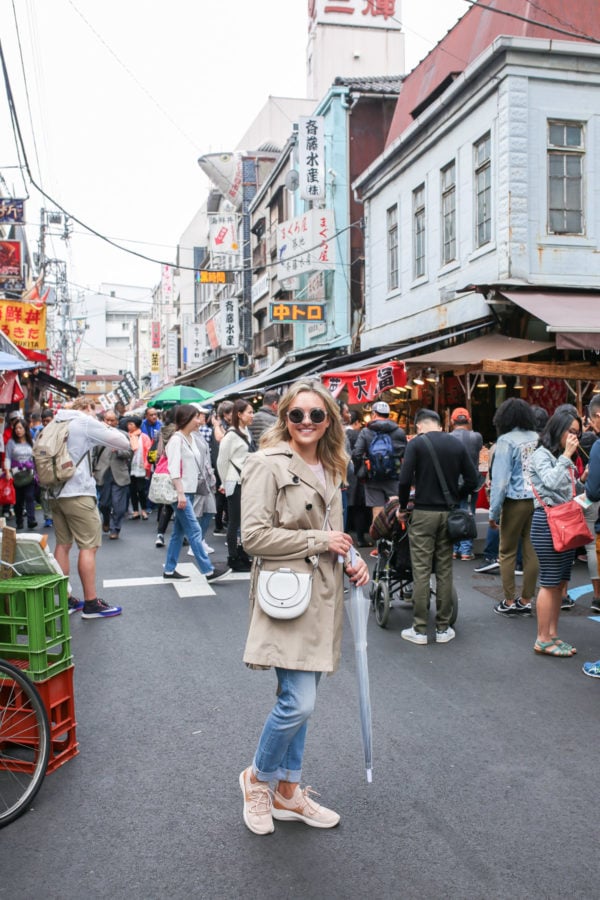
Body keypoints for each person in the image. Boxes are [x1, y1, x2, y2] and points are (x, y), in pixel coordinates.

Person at [238, 380, 368, 835]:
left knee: (302, 702)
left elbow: (336, 531)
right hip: (287, 595)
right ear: (284, 418)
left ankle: (288, 792)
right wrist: (320, 540)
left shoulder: (334, 466)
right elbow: (252, 538)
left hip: (324, 595)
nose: (307, 423)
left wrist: (353, 558)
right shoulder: (265, 464)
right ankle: (258, 779)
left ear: (329, 419)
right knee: (298, 702)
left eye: (316, 415)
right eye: (297, 415)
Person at [397, 408, 479, 645]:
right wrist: (455, 495)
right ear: (440, 425)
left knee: (421, 571)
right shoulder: (456, 445)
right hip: (448, 514)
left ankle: (420, 629)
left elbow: (403, 480)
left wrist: (403, 507)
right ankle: (443, 628)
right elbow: (473, 480)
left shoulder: (416, 444)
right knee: (444, 570)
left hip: (422, 513)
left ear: (419, 426)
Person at [50, 397, 131, 619]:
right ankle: (91, 603)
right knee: (89, 546)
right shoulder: (84, 422)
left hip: (55, 492)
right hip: (78, 493)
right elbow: (123, 442)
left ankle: (64, 600)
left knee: (63, 544)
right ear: (87, 409)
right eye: (95, 411)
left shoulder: (56, 422)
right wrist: (102, 425)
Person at [529, 408, 584, 657]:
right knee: (550, 582)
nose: (574, 437)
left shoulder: (563, 456)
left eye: (577, 433)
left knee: (561, 582)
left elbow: (572, 489)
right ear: (557, 429)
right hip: (547, 522)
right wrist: (568, 456)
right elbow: (550, 482)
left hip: (566, 522)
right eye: (570, 431)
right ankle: (542, 638)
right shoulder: (541, 455)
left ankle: (552, 635)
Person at [163, 404, 230, 583]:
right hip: (181, 492)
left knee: (179, 532)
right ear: (186, 418)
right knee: (194, 530)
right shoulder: (177, 439)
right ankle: (208, 570)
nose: (200, 420)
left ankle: (169, 569)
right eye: (196, 416)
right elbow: (173, 468)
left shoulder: (191, 437)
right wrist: (180, 493)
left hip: (190, 491)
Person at [488, 398, 539, 616]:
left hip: (514, 501)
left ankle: (509, 601)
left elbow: (500, 482)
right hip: (537, 500)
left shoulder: (506, 441)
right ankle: (526, 599)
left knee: (507, 551)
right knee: (532, 550)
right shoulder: (538, 438)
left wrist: (494, 512)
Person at [352, 400, 406, 526]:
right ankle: (395, 541)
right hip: (394, 477)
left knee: (377, 510)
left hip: (372, 477)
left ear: (374, 414)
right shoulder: (399, 432)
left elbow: (356, 454)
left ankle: (380, 542)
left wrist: (360, 471)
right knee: (396, 509)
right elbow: (406, 454)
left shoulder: (366, 432)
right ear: (388, 415)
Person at [217, 399, 256, 571]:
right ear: (239, 415)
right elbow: (221, 461)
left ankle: (243, 553)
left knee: (245, 520)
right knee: (234, 521)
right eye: (249, 412)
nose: (252, 415)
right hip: (234, 480)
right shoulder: (231, 434)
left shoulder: (246, 431)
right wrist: (224, 482)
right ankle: (233, 556)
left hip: (246, 479)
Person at [93, 408, 133, 540]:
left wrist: (119, 451)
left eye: (112, 420)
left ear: (117, 421)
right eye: (107, 420)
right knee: (103, 503)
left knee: (118, 505)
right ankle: (106, 519)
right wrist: (92, 469)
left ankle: (115, 528)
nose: (109, 423)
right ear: (103, 420)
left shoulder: (123, 435)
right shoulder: (98, 435)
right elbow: (93, 454)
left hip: (119, 473)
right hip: (103, 473)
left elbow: (130, 453)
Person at [449, 407, 483, 561]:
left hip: (452, 483)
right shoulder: (476, 437)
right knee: (468, 513)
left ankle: (455, 549)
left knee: (453, 514)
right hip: (470, 483)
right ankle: (466, 551)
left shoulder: (447, 437)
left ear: (451, 421)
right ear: (469, 420)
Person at [4, 417, 37, 529]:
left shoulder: (31, 442)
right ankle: (19, 520)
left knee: (29, 496)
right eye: (16, 428)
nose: (18, 430)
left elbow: (36, 458)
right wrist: (7, 471)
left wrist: (38, 472)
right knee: (18, 500)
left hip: (29, 473)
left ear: (25, 429)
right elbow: (7, 458)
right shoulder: (11, 443)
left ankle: (31, 519)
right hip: (16, 475)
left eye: (20, 428)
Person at [154, 407, 177, 548]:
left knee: (167, 505)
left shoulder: (163, 430)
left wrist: (158, 463)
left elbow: (160, 451)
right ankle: (180, 535)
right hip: (177, 469)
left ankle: (160, 534)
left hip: (165, 468)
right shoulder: (179, 432)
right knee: (178, 504)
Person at [126, 416, 151, 520]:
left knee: (141, 490)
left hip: (141, 467)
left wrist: (148, 466)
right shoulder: (127, 436)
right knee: (132, 490)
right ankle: (136, 511)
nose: (129, 426)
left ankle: (144, 510)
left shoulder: (144, 437)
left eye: (131, 424)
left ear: (137, 425)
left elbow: (149, 451)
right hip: (129, 467)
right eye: (128, 424)